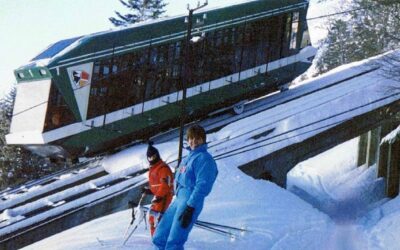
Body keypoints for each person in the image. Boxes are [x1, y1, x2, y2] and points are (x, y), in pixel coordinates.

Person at [152, 124, 218, 250]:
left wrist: (190, 207)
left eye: (197, 138)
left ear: (203, 140)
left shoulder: (205, 159)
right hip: (179, 199)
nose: (193, 142)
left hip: (189, 201)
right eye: (191, 138)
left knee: (174, 241)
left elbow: (202, 186)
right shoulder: (188, 157)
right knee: (160, 236)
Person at [141, 142, 174, 237]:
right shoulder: (153, 168)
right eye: (150, 158)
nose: (152, 159)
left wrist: (159, 196)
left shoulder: (163, 168)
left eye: (153, 157)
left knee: (157, 217)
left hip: (164, 196)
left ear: (157, 155)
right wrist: (149, 191)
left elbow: (165, 185)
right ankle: (155, 239)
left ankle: (160, 239)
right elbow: (156, 186)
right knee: (153, 217)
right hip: (158, 196)